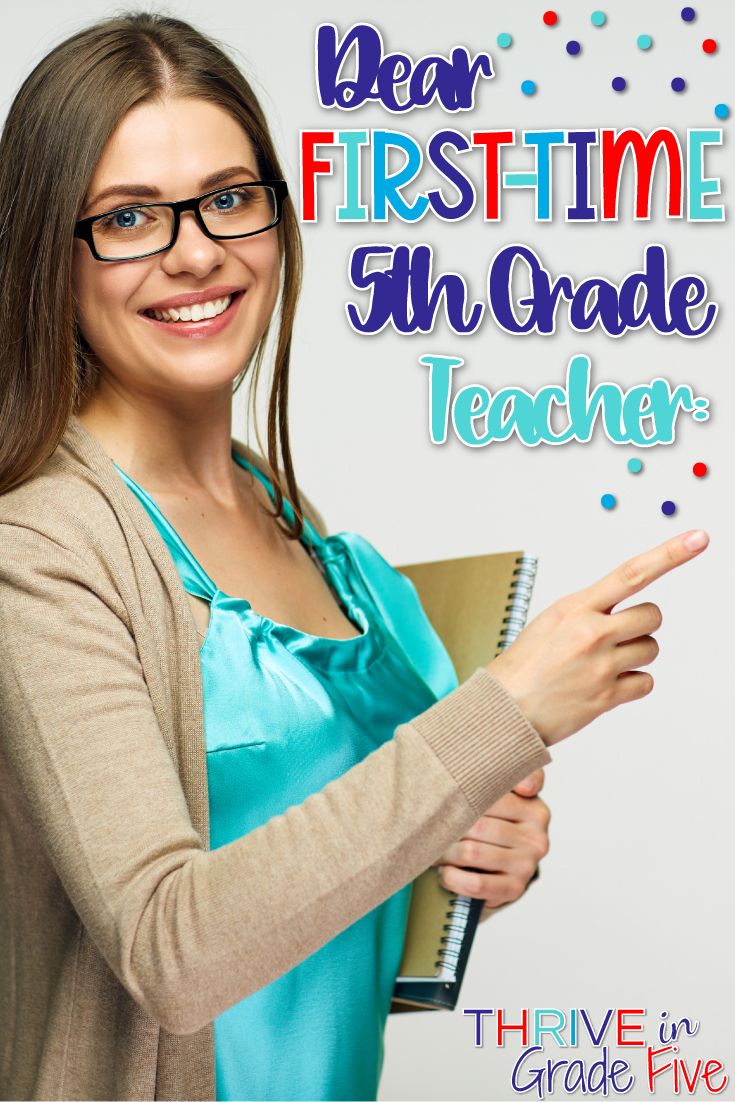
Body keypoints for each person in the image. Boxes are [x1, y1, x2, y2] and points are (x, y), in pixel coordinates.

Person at [0, 11, 708, 1102]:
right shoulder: (39, 548)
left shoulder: (288, 514)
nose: (196, 250)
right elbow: (172, 953)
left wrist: (459, 871)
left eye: (230, 198)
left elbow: (296, 923)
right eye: (129, 216)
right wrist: (499, 716)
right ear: (50, 254)